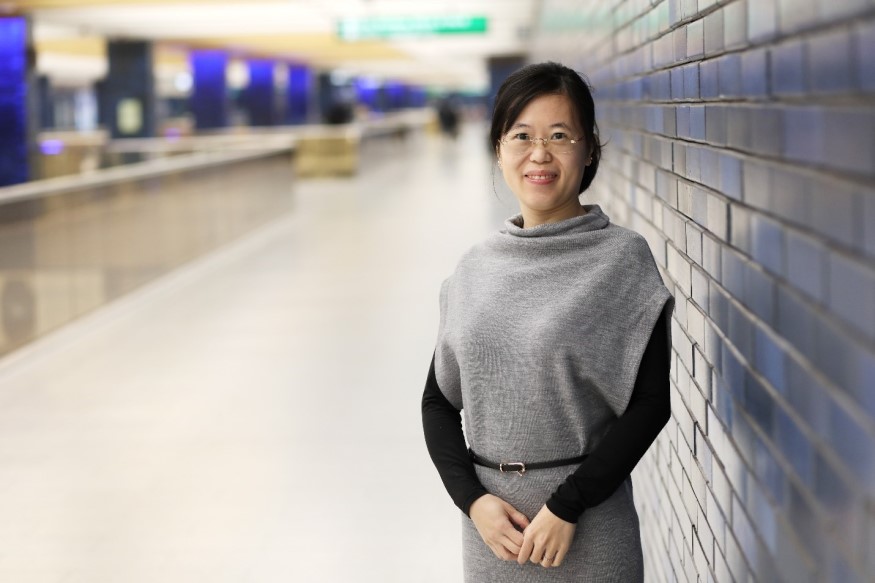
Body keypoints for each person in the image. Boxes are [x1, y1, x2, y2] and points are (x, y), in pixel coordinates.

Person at [421, 61, 674, 582]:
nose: (539, 154)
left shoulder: (621, 259)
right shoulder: (474, 267)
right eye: (522, 136)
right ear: (499, 149)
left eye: (560, 135)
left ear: (589, 150)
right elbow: (439, 403)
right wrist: (473, 503)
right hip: (496, 535)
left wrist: (567, 507)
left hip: (587, 526)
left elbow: (651, 404)